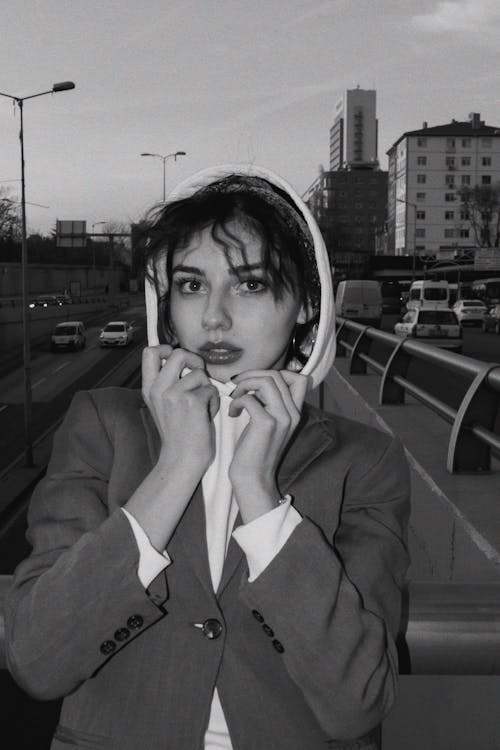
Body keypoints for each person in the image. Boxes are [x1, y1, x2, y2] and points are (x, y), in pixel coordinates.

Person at [5, 164, 410, 750]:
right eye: (192, 285)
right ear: (164, 302)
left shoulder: (364, 460)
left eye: (250, 284)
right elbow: (37, 660)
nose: (215, 316)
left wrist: (261, 497)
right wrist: (176, 466)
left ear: (304, 305)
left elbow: (358, 702)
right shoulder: (103, 424)